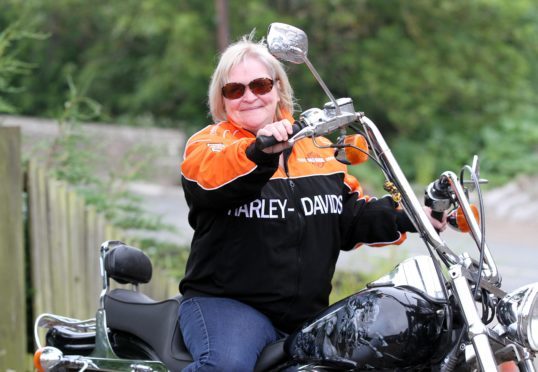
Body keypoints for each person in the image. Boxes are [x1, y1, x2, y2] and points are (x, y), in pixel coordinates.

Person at [178, 32, 446, 371]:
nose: (249, 97)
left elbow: (351, 218)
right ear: (222, 99)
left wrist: (412, 216)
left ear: (278, 88)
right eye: (235, 89)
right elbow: (216, 181)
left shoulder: (317, 150)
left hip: (306, 314)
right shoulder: (209, 146)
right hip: (229, 305)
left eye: (260, 85)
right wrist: (260, 151)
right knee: (224, 367)